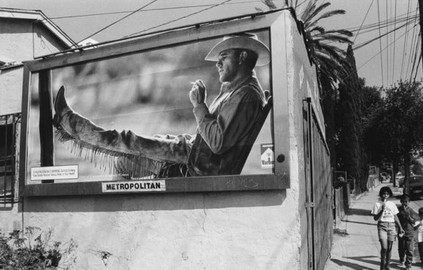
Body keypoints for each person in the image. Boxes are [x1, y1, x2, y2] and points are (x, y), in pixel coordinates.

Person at [52, 33, 270, 178]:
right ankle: (71, 124)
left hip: (192, 164)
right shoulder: (238, 89)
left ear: (242, 56)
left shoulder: (246, 95)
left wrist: (199, 105)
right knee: (129, 146)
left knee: (128, 141)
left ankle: (70, 123)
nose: (218, 63)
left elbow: (217, 143)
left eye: (224, 56)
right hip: (189, 151)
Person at [371, 186, 404, 270]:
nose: (385, 195)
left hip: (392, 226)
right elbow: (375, 218)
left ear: (389, 195)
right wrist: (381, 210)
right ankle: (382, 265)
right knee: (384, 247)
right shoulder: (377, 204)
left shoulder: (392, 204)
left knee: (389, 248)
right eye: (384, 194)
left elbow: (395, 216)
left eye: (387, 194)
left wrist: (400, 227)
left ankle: (387, 267)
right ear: (381, 194)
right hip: (382, 225)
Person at [397, 194, 418, 270]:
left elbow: (415, 221)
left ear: (409, 202)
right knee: (401, 248)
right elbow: (396, 220)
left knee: (410, 249)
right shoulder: (398, 210)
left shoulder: (411, 210)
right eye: (403, 202)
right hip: (401, 231)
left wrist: (409, 217)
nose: (405, 203)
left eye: (406, 202)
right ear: (401, 202)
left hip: (409, 232)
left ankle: (408, 265)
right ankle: (401, 260)